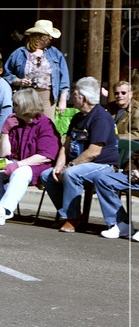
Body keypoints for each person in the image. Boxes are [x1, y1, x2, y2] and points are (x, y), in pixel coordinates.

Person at [39, 76, 120, 233]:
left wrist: (69, 166)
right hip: (79, 163)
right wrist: (58, 166)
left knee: (71, 174)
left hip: (102, 165)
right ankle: (69, 212)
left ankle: (72, 218)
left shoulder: (100, 118)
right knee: (47, 175)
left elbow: (93, 152)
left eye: (74, 94)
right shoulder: (77, 118)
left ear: (83, 98)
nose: (71, 97)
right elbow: (66, 145)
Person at [0, 88, 61, 226]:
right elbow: (3, 154)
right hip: (14, 162)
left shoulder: (45, 125)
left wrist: (18, 165)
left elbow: (45, 156)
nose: (13, 107)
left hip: (36, 166)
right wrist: (5, 131)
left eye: (16, 104)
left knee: (21, 171)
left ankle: (2, 211)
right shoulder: (14, 122)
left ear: (26, 105)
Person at [4, 20, 70, 120]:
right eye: (48, 36)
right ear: (38, 36)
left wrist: (63, 100)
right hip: (25, 96)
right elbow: (6, 74)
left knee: (46, 127)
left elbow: (64, 78)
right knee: (25, 126)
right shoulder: (19, 53)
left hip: (47, 97)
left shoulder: (55, 53)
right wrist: (18, 81)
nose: (50, 38)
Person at [93, 151, 139, 240]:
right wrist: (132, 171)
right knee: (102, 179)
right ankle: (122, 223)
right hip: (135, 179)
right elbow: (132, 160)